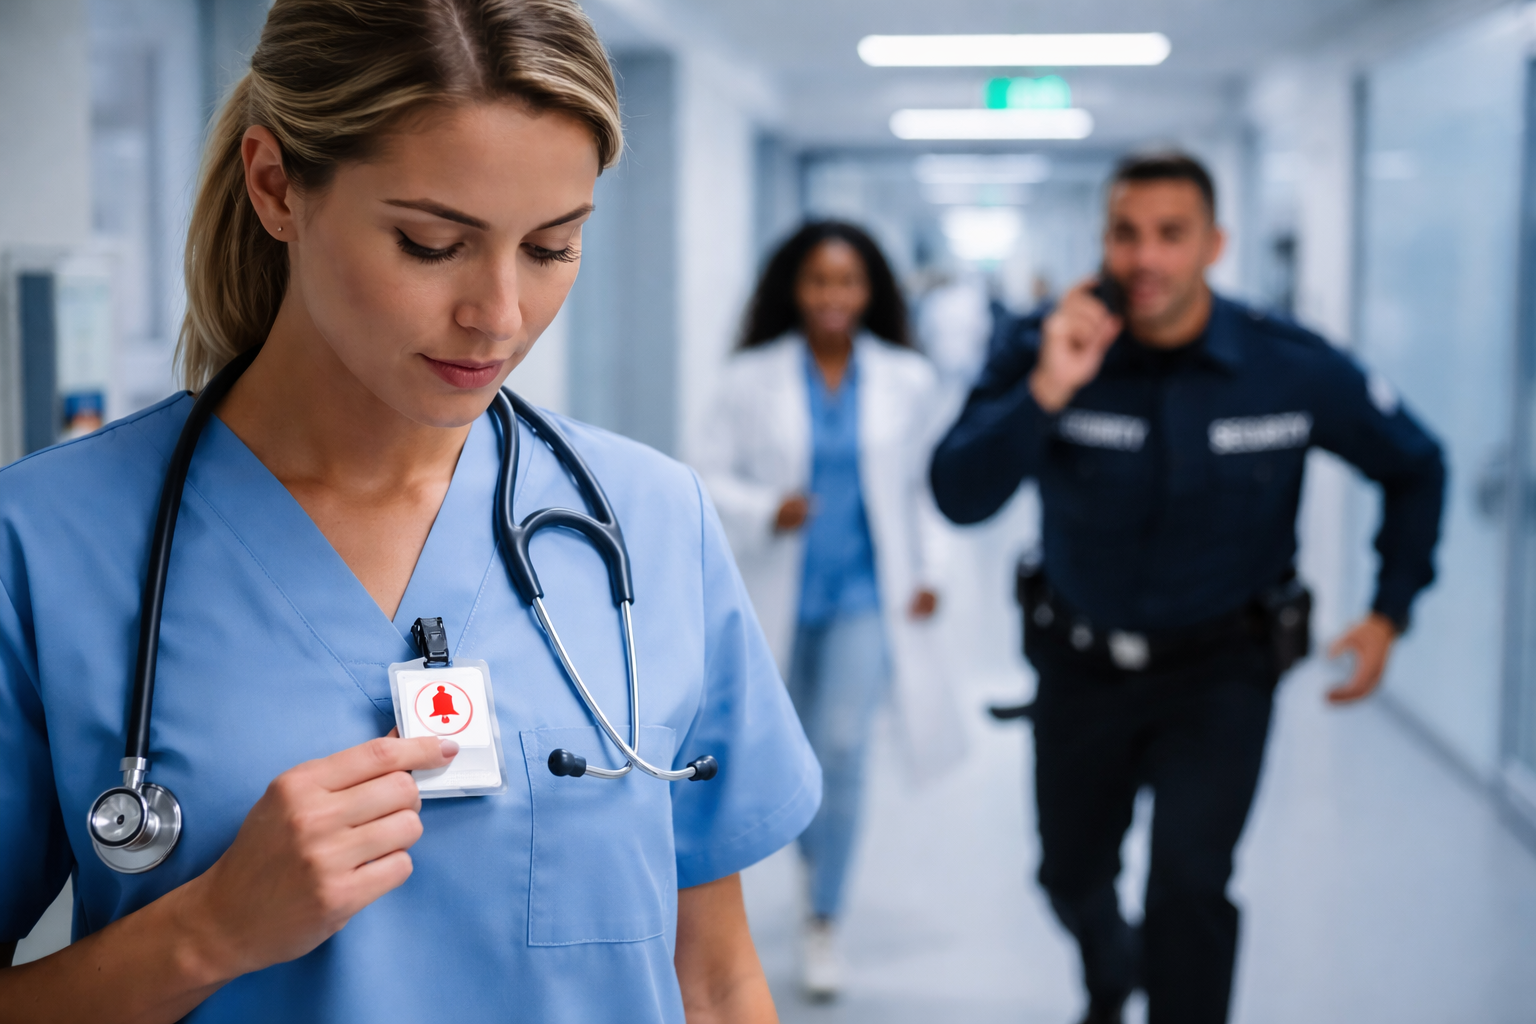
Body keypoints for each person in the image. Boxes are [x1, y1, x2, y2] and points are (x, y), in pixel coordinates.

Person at [0, 2, 820, 1021]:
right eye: (433, 244)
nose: (499, 315)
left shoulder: (650, 522)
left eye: (552, 247)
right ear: (275, 186)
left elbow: (719, 978)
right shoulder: (46, 546)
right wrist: (203, 934)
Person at [929, 153, 1445, 1024]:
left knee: (1191, 888)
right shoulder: (1044, 344)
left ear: (1215, 245)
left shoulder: (1288, 367)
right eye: (1126, 234)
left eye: (1172, 235)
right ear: (1104, 241)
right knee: (1070, 873)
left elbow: (1416, 464)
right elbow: (958, 492)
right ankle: (1109, 975)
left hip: (1222, 673)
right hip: (1080, 665)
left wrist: (1391, 611)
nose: (1146, 259)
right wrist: (1049, 389)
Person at [693, 221, 957, 1001]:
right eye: (819, 282)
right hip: (778, 587)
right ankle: (817, 862)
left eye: (848, 282)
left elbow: (925, 485)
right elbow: (705, 473)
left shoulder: (908, 378)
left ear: (870, 290)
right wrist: (767, 507)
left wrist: (935, 567)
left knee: (841, 746)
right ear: (794, 290)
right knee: (789, 746)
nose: (834, 297)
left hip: (869, 594)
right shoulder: (751, 376)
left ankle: (823, 915)